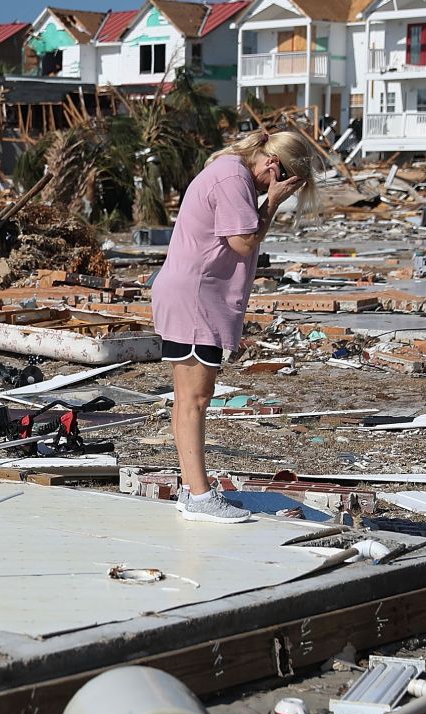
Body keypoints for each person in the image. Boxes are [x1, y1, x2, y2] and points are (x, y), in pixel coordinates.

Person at [151, 130, 319, 523]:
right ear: (275, 166)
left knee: (187, 398)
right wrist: (273, 203)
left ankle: (192, 490)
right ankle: (199, 496)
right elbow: (244, 242)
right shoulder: (234, 177)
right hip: (195, 298)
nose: (275, 189)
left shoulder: (230, 172)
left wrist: (268, 199)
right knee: (196, 398)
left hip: (191, 293)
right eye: (284, 184)